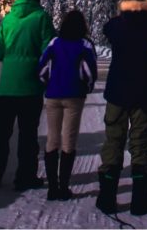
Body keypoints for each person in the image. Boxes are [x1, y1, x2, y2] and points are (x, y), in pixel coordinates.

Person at [96, 0, 147, 215]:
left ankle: (107, 198)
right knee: (140, 145)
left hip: (117, 92)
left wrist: (123, 12)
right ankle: (140, 201)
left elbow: (106, 28)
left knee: (113, 142)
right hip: (142, 93)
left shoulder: (118, 25)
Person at [0, 0, 55, 190]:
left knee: (0, 133)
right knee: (28, 134)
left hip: (7, 86)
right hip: (31, 86)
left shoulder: (8, 19)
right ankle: (25, 178)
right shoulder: (42, 18)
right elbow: (49, 50)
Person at [37, 10, 98, 201]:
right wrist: (86, 87)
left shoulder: (55, 42)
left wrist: (47, 83)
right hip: (74, 96)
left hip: (53, 95)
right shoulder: (85, 44)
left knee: (52, 140)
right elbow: (90, 71)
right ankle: (63, 187)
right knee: (68, 141)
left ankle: (52, 188)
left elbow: (43, 66)